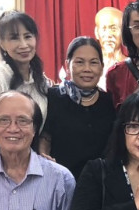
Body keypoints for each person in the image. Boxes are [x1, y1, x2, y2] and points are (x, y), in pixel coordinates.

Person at [0, 10, 50, 164]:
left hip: (28, 165)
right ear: (2, 43)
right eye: (14, 38)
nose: (23, 45)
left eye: (28, 36)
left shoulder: (41, 81)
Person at [40, 36, 116, 178]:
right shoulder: (52, 98)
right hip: (61, 181)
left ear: (101, 68)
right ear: (67, 65)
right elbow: (45, 138)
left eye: (93, 63)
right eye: (80, 62)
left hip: (100, 185)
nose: (87, 69)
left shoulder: (109, 103)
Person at [95, 6, 125, 70]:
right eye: (104, 29)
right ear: (97, 32)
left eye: (113, 29)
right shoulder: (89, 67)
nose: (108, 34)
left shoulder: (132, 67)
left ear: (123, 32)